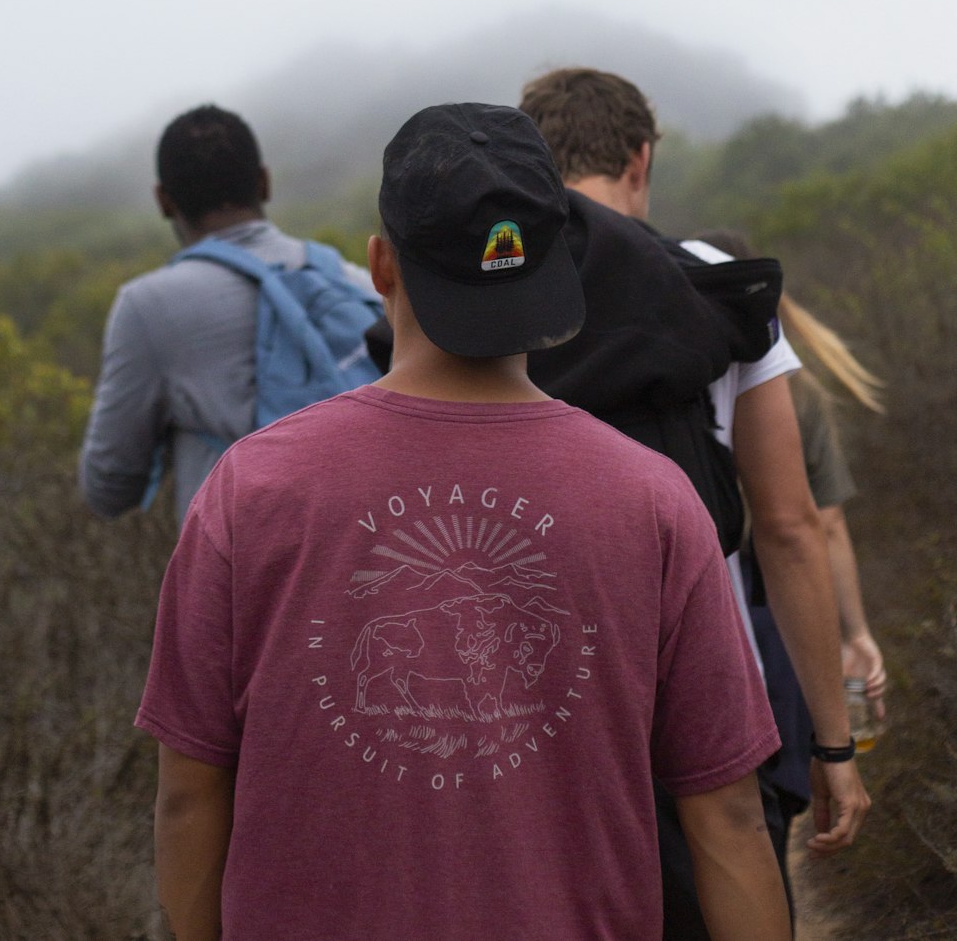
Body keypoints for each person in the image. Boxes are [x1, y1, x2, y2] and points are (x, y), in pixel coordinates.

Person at [137, 102, 791, 941]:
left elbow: (190, 796)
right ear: (557, 268)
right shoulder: (655, 501)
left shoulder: (251, 489)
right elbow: (729, 816)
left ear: (381, 264)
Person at [518, 68, 870, 934]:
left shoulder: (495, 292)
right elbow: (789, 528)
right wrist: (832, 742)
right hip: (703, 685)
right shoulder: (715, 281)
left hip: (526, 698)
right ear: (642, 158)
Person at [79, 104, 379, 526]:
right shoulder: (360, 282)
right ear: (264, 182)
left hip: (249, 575)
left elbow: (108, 489)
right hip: (376, 549)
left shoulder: (147, 306)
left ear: (163, 201)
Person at [700, 229, 887, 859]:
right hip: (772, 621)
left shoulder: (664, 369)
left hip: (691, 616)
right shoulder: (794, 387)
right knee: (764, 819)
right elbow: (818, 525)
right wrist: (852, 635)